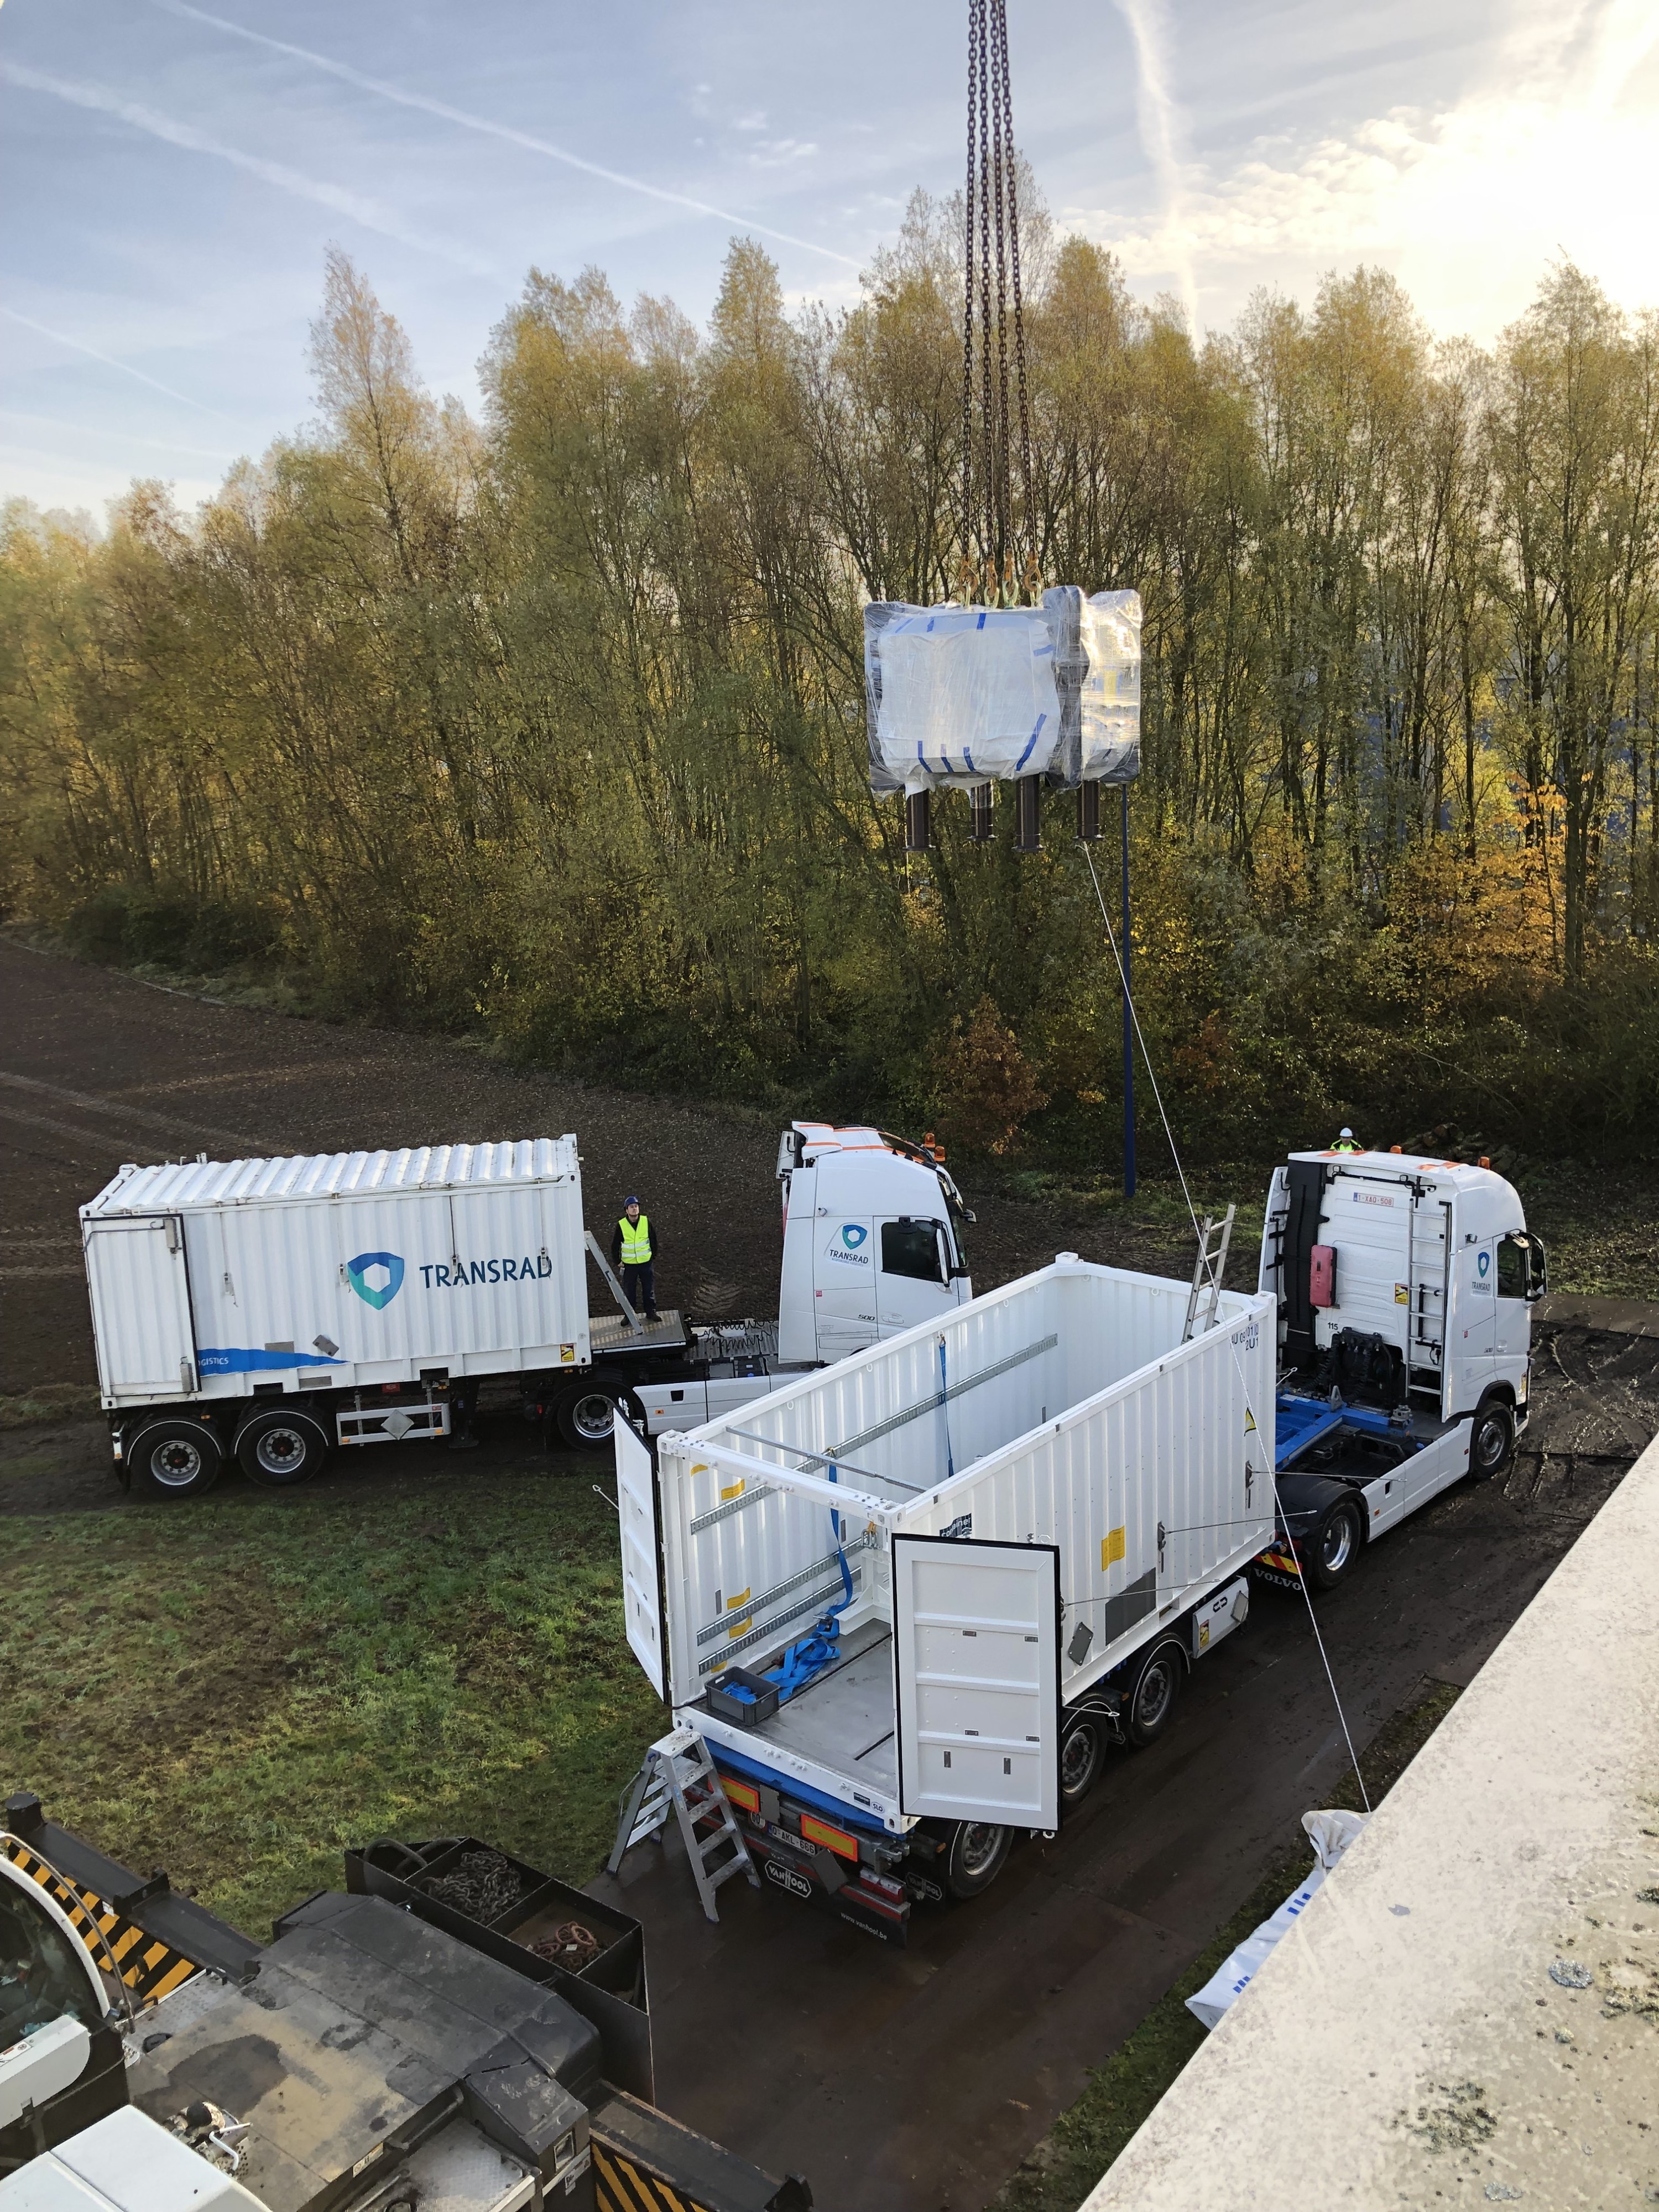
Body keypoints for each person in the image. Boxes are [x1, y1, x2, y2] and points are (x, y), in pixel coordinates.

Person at [611, 1195, 659, 1321]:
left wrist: (652, 1256)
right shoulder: (621, 1225)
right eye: (631, 1207)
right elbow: (615, 1244)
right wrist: (617, 1261)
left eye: (636, 1206)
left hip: (646, 1264)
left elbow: (653, 1240)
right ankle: (629, 1316)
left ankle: (651, 1312)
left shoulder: (646, 1221)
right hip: (629, 1265)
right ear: (626, 1210)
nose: (634, 1209)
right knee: (629, 1292)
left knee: (649, 1290)